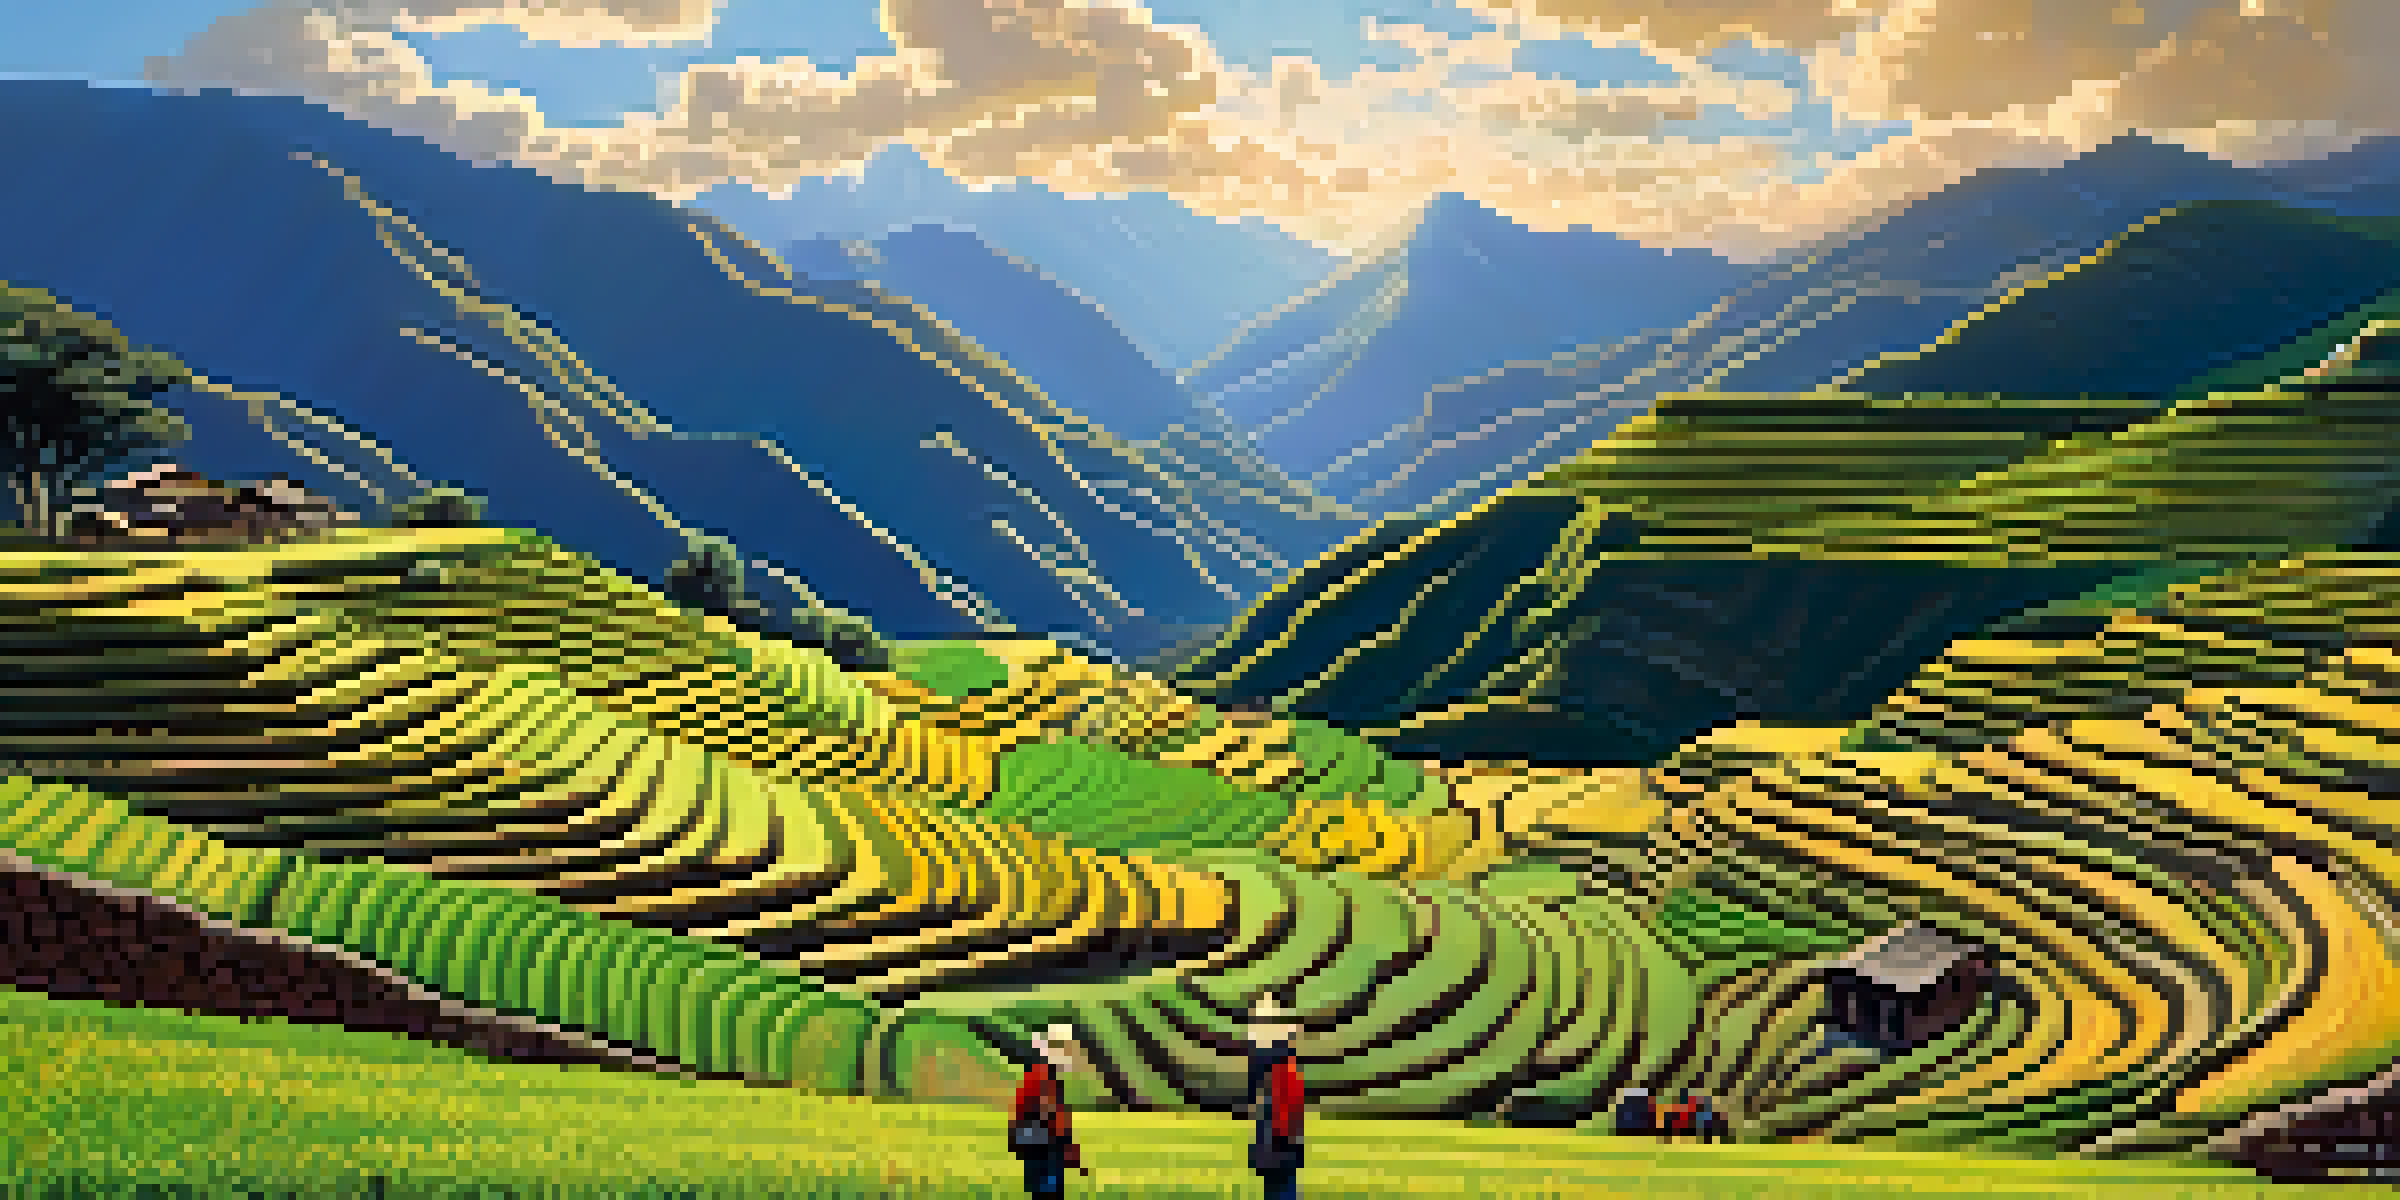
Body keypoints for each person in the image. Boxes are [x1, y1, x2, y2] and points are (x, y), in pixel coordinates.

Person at [1010, 1023, 1089, 1197]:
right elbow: (1051, 1114)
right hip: (1045, 1145)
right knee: (1048, 1189)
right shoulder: (1045, 1077)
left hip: (1034, 1142)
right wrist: (1069, 1148)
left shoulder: (1034, 1074)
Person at [1243, 994, 1307, 1200]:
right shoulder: (1283, 1058)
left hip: (1276, 1128)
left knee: (1278, 1181)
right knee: (1282, 1181)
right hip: (1280, 1128)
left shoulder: (1269, 1057)